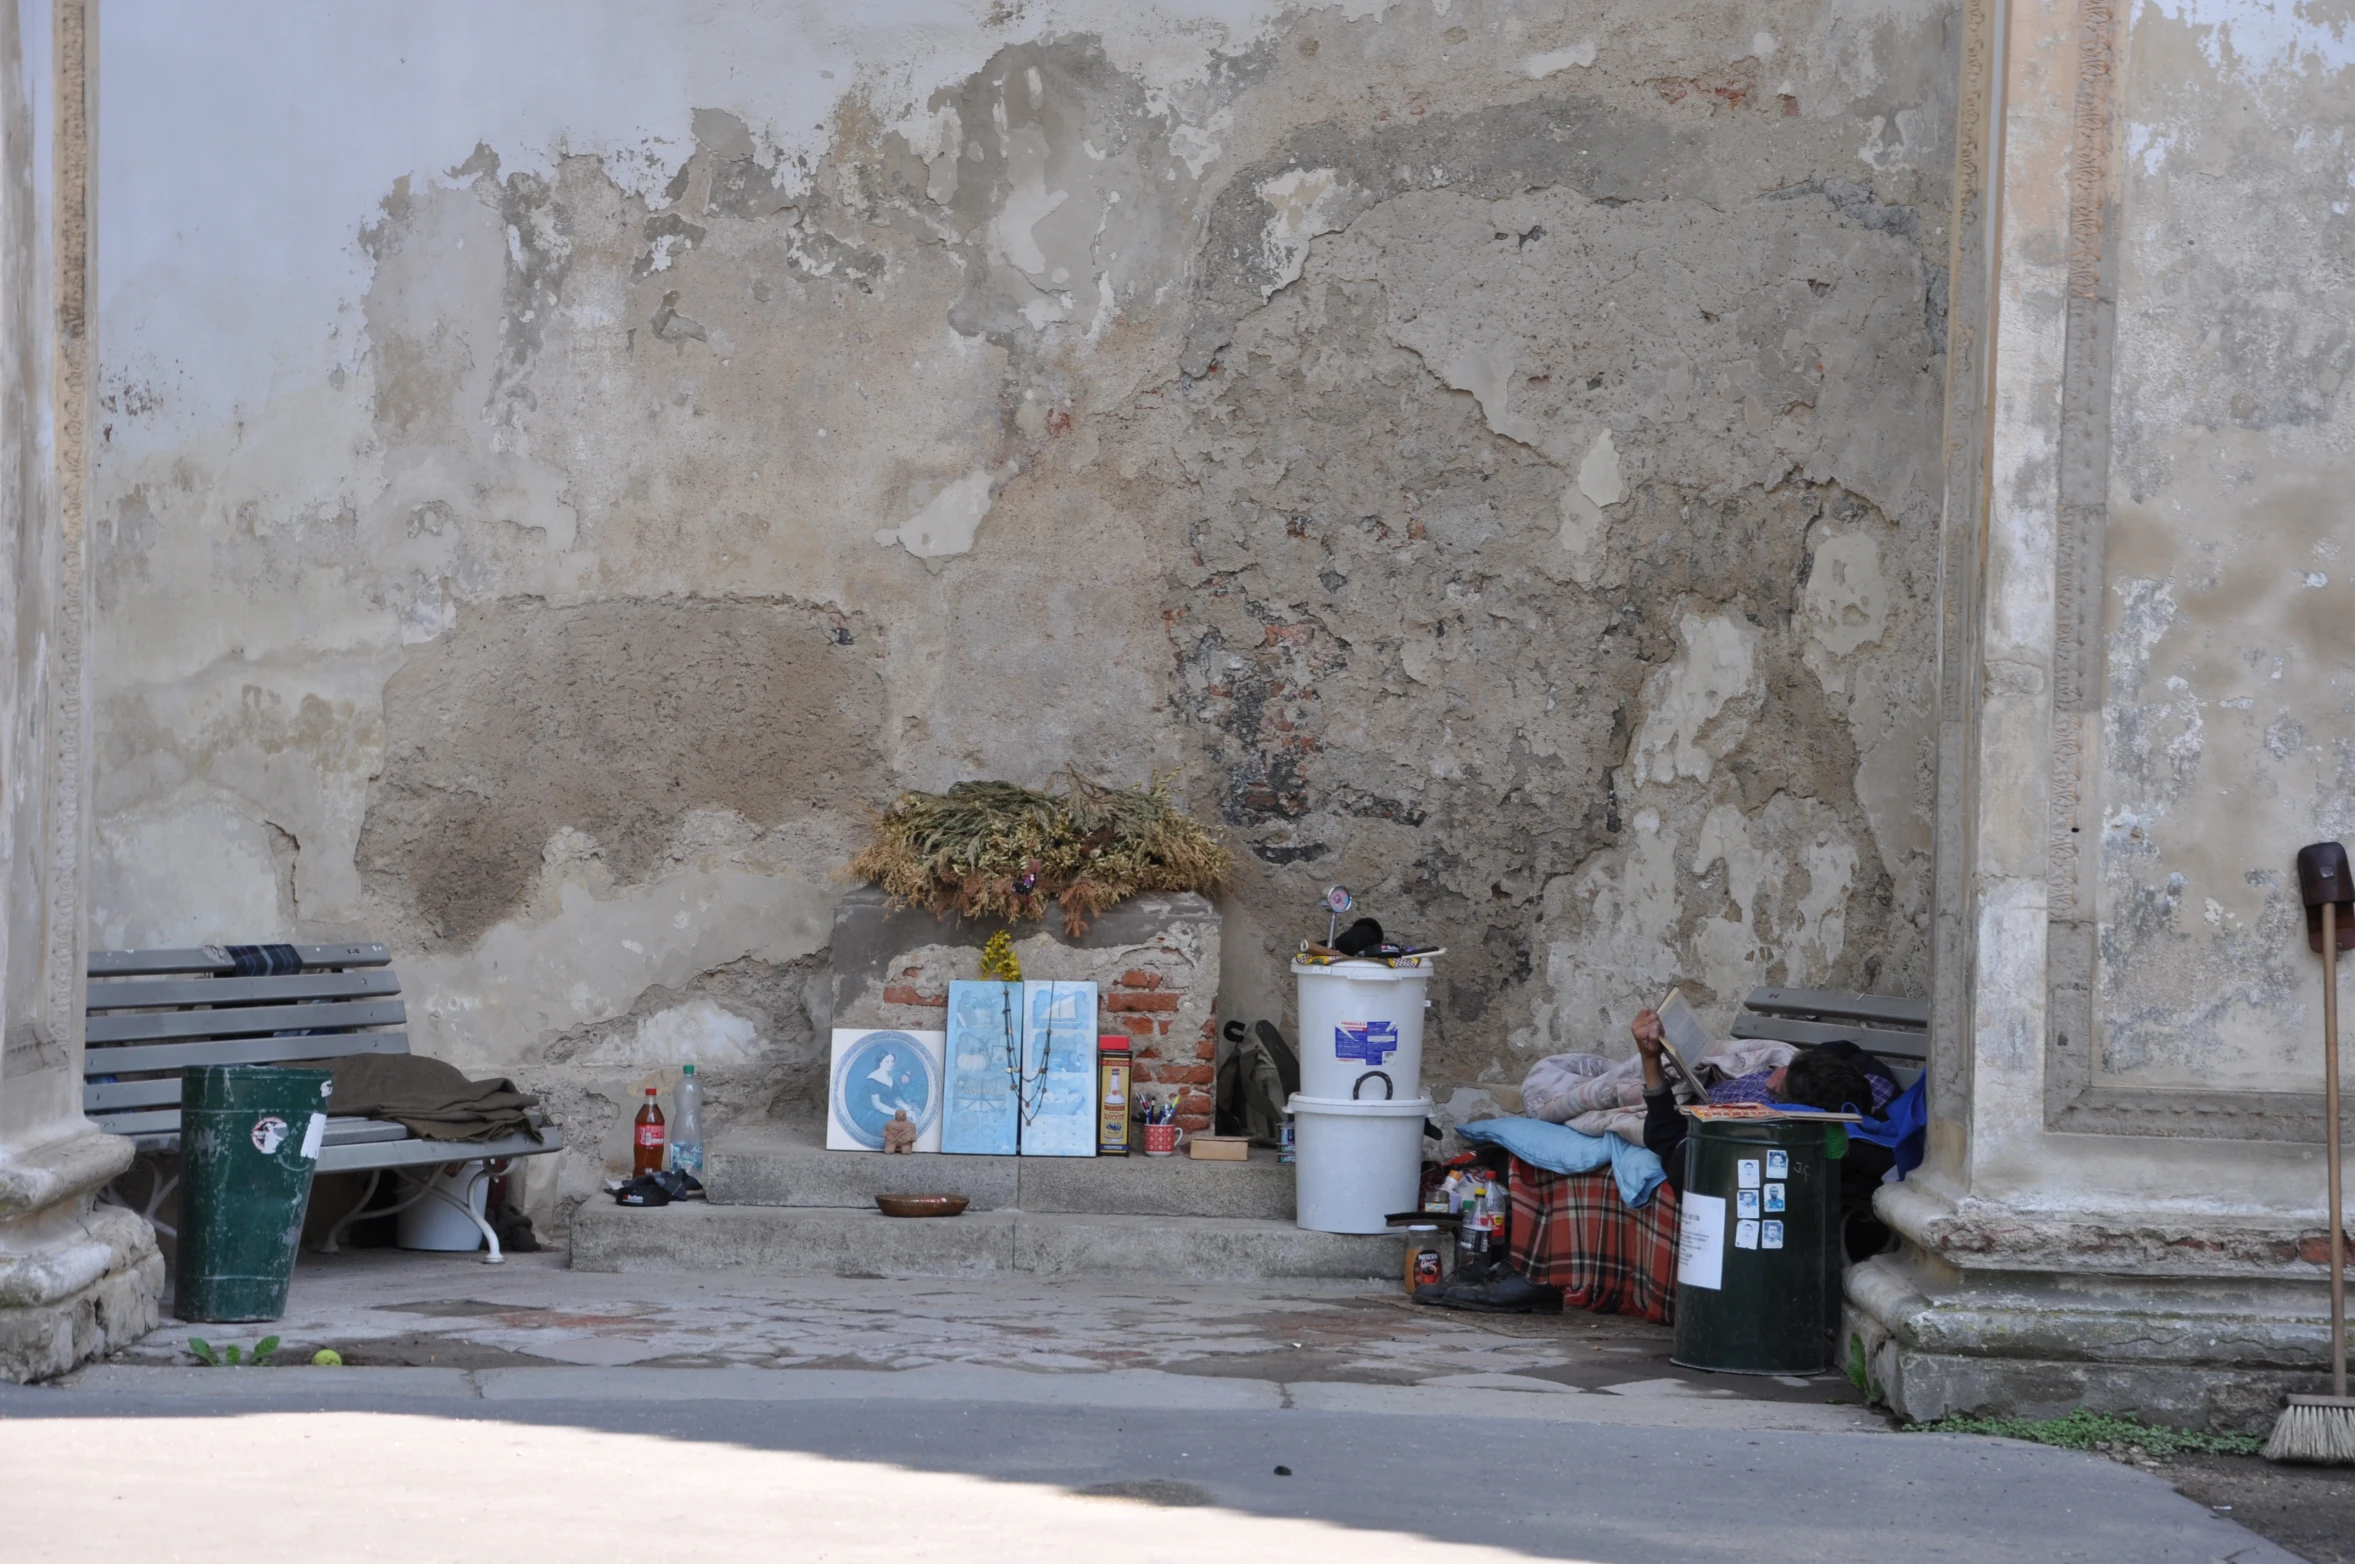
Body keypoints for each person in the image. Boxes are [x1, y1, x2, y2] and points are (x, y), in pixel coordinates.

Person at [1631, 1008, 1897, 1254]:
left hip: (1687, 1109)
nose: (1772, 1080)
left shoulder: (1767, 1124)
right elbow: (1845, 1049)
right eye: (1789, 1067)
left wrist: (1650, 1060)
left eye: (1776, 1087)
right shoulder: (1849, 1076)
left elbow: (1668, 1141)